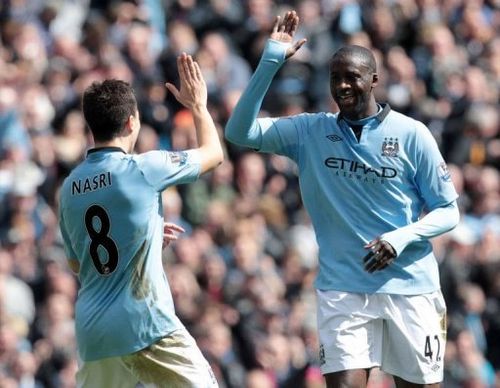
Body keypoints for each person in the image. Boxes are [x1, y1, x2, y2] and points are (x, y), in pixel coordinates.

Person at [225, 10, 460, 388]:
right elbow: (239, 132)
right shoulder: (309, 131)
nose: (343, 86)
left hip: (410, 286)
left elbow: (448, 211)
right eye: (336, 78)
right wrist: (271, 60)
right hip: (342, 288)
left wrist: (399, 239)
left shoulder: (411, 134)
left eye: (353, 77)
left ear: (374, 80)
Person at [58, 53, 223, 388]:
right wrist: (198, 106)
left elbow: (80, 265)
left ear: (91, 127)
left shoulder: (69, 187)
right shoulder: (143, 168)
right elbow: (213, 154)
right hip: (145, 322)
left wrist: (138, 236)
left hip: (94, 333)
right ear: (132, 122)